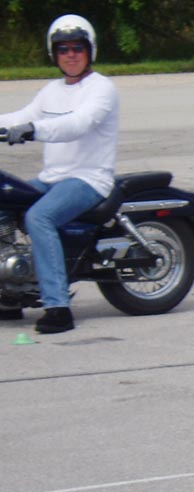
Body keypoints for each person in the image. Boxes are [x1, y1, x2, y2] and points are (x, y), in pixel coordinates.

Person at [0, 14, 119, 334]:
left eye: (77, 47)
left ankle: (58, 307)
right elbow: (22, 115)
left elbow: (77, 123)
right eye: (63, 49)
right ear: (54, 53)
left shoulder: (101, 88)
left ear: (90, 50)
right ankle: (11, 294)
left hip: (88, 179)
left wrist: (32, 129)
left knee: (39, 217)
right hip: (52, 178)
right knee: (5, 206)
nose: (70, 54)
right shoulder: (51, 90)